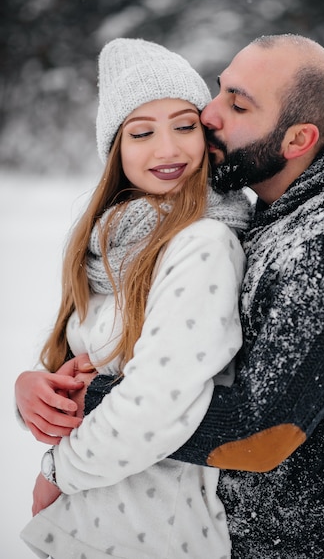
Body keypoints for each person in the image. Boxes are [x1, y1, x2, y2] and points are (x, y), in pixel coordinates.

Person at [17, 33, 324, 558]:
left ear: (297, 140)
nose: (209, 114)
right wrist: (40, 391)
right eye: (220, 89)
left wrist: (84, 406)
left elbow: (260, 432)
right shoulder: (257, 217)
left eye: (237, 103)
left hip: (314, 547)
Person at [16, 37, 251, 559]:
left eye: (184, 126)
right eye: (141, 132)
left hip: (156, 530)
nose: (167, 150)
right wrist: (32, 390)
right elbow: (81, 364)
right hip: (91, 523)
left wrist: (59, 471)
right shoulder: (112, 244)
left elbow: (158, 404)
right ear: (116, 150)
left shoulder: (204, 243)